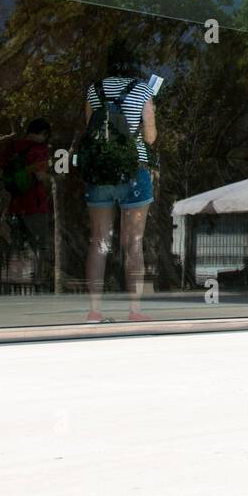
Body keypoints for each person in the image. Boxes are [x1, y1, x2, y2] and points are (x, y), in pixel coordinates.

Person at [82, 49, 157, 323]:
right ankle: (135, 311)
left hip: (100, 173)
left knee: (99, 240)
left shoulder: (94, 90)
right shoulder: (142, 91)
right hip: (133, 171)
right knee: (133, 243)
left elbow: (89, 129)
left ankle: (94, 310)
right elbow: (150, 137)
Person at [2, 118, 54, 287]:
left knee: (16, 246)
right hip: (35, 205)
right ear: (43, 134)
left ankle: (10, 281)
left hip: (15, 205)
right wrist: (53, 179)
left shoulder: (13, 148)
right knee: (40, 246)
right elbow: (41, 176)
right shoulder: (39, 150)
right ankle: (39, 282)